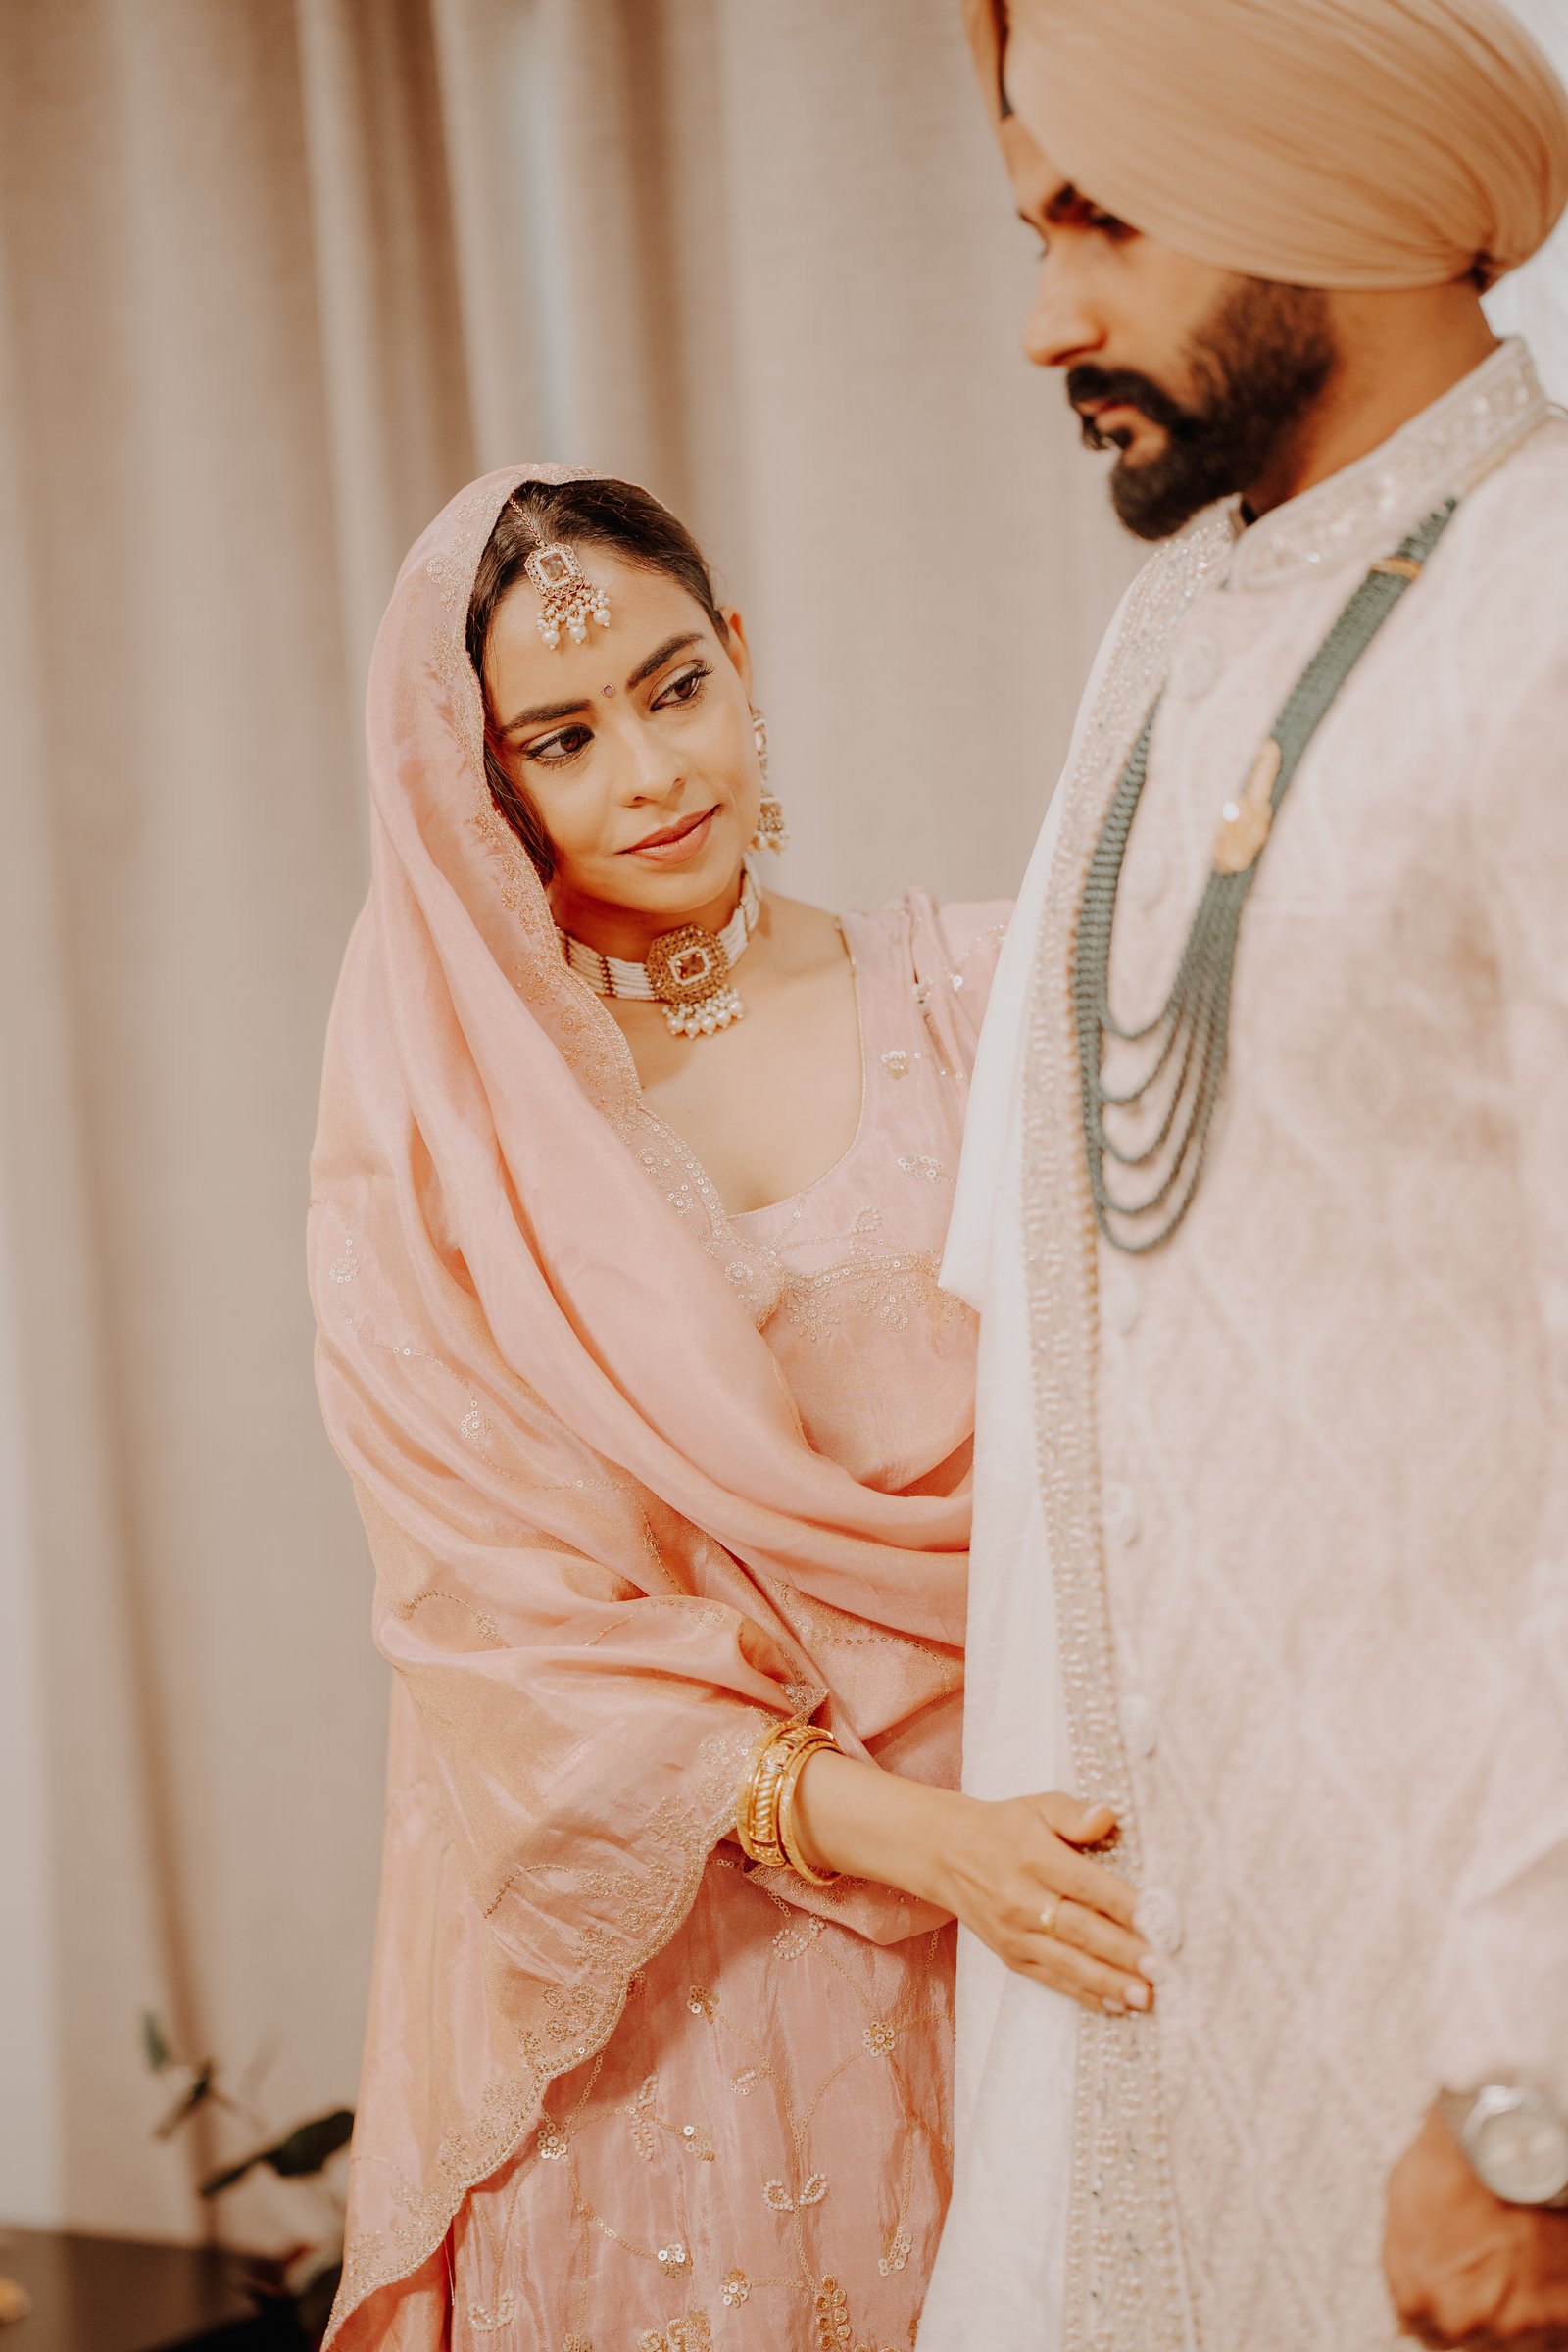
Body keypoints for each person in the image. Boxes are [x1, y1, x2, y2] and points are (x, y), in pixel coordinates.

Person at [307, 467, 1155, 2352]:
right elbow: (503, 1640)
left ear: (742, 658)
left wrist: (1003, 1852)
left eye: (676, 686)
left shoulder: (989, 997)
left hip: (1038, 1896)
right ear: (485, 780)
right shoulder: (465, 1133)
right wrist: (928, 1842)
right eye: (563, 737)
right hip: (685, 1988)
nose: (650, 773)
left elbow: (1157, 1450)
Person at [918, 4, 1568, 2348]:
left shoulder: (1541, 611)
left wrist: (1528, 2085)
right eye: (1031, 229)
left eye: (1100, 221)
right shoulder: (1174, 626)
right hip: (1179, 1958)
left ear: (1320, 180)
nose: (1044, 320)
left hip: (1463, 1990)